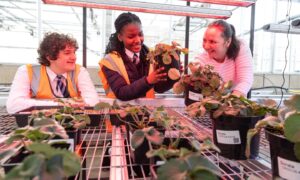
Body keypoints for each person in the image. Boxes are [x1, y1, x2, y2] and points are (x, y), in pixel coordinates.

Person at [6, 32, 99, 114]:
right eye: (67, 53)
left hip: (75, 124)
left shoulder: (79, 71)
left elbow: (93, 101)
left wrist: (40, 105)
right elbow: (13, 105)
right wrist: (61, 104)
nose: (74, 57)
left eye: (74, 52)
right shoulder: (27, 71)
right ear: (49, 57)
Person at [98, 12, 174, 101]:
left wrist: (172, 77)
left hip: (148, 111)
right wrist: (148, 80)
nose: (138, 40)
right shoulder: (110, 61)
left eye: (140, 34)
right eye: (131, 36)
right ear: (120, 37)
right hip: (120, 112)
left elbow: (159, 88)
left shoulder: (153, 56)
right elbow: (121, 92)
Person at [195, 20, 253, 97]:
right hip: (214, 100)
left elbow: (245, 80)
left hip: (236, 97)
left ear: (228, 42)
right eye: (204, 40)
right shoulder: (202, 59)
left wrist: (231, 101)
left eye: (212, 42)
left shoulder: (240, 47)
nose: (206, 46)